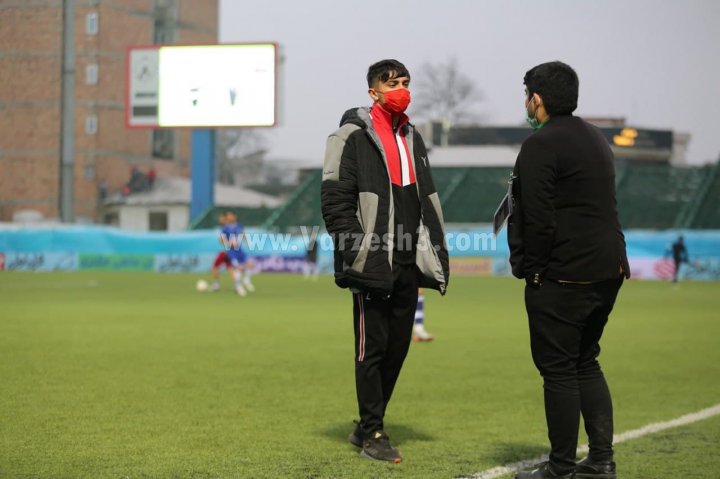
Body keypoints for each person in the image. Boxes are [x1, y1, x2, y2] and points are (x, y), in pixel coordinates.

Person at [321, 59, 449, 463]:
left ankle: (365, 426)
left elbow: (425, 198)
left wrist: (433, 250)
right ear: (372, 90)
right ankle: (373, 430)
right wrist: (360, 252)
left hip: (409, 259)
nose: (400, 88)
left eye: (405, 82)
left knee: (397, 349)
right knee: (371, 349)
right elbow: (336, 204)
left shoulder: (412, 137)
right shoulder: (349, 137)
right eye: (391, 82)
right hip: (373, 261)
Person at [508, 61, 630, 479]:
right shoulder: (593, 136)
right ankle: (600, 461)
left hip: (565, 273)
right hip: (607, 268)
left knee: (558, 369)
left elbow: (539, 218)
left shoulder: (541, 144)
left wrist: (534, 270)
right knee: (584, 361)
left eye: (527, 95)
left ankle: (560, 468)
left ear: (536, 99)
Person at [220, 211, 255, 296]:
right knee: (238, 268)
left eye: (231, 216)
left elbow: (243, 235)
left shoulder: (239, 226)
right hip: (231, 252)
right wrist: (227, 244)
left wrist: (246, 241)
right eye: (228, 216)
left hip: (239, 250)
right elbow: (221, 239)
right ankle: (238, 287)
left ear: (234, 217)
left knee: (251, 264)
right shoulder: (225, 228)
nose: (230, 218)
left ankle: (246, 281)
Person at [210, 212, 233, 292]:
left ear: (225, 219)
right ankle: (237, 285)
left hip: (225, 251)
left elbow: (221, 240)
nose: (220, 220)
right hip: (230, 251)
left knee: (215, 267)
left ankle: (216, 285)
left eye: (221, 218)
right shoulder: (230, 228)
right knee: (230, 268)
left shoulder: (225, 228)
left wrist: (222, 240)